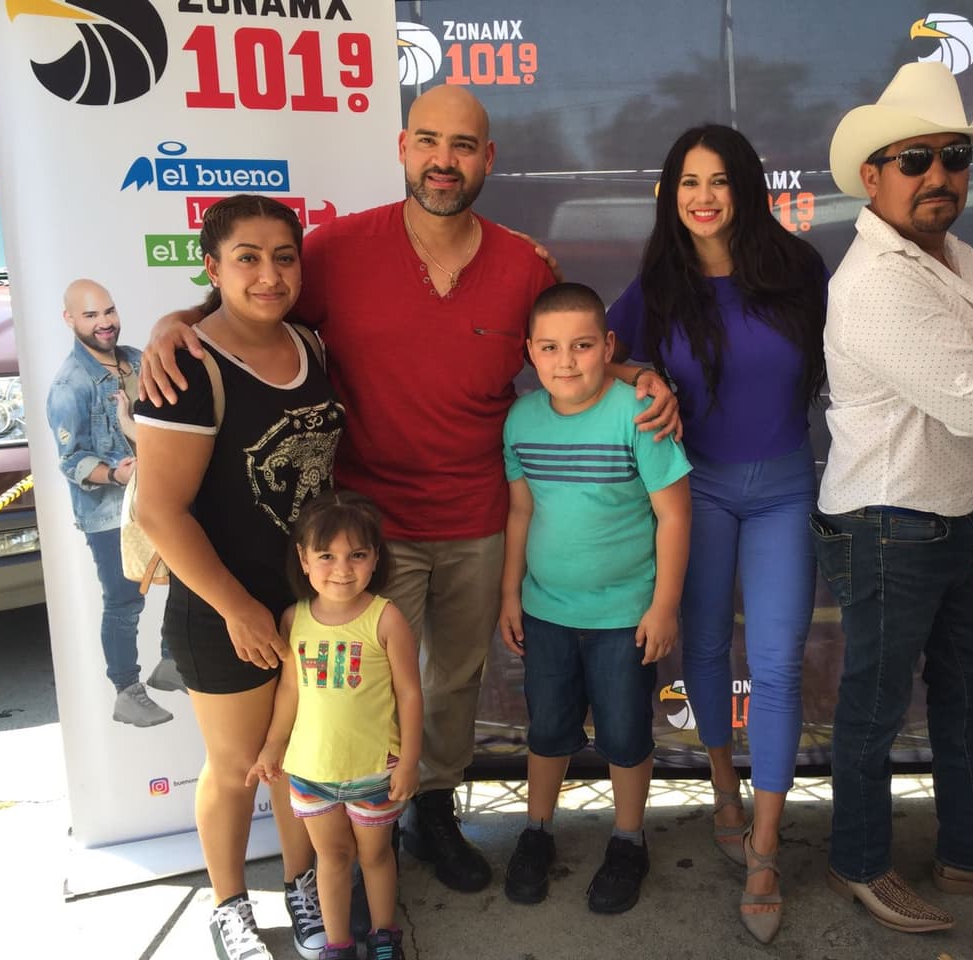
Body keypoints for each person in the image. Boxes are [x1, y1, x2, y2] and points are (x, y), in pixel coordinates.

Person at [140, 85, 682, 894]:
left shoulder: (524, 265)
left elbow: (571, 349)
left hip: (475, 517)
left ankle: (432, 809)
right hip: (362, 529)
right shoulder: (330, 251)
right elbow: (253, 306)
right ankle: (356, 834)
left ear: (487, 160)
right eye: (428, 141)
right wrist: (175, 320)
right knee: (353, 683)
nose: (443, 160)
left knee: (453, 680)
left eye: (463, 146)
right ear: (402, 149)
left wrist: (638, 371)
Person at [812, 61, 973, 933]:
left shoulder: (952, 254)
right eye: (915, 158)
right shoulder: (876, 282)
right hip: (888, 523)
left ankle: (971, 855)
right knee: (877, 705)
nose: (939, 176)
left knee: (967, 690)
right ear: (872, 177)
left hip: (945, 512)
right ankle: (860, 863)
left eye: (954, 157)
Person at [605, 125, 828, 942]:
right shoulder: (658, 283)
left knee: (773, 661)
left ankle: (765, 848)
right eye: (688, 181)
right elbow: (596, 354)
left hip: (781, 491)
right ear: (671, 193)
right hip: (693, 493)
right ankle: (723, 787)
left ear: (746, 188)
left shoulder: (797, 269)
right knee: (700, 652)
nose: (703, 196)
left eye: (720, 180)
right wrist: (643, 371)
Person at [132, 194, 343, 960]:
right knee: (233, 770)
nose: (267, 274)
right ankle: (227, 905)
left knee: (297, 762)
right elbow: (160, 510)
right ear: (212, 268)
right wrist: (238, 609)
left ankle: (302, 884)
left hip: (306, 603)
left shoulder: (310, 345)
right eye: (246, 259)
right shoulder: (188, 366)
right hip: (224, 609)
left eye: (283, 256)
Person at [498, 282, 691, 914]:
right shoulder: (521, 420)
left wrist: (663, 606)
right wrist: (510, 594)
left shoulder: (637, 414)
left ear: (609, 346)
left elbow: (674, 515)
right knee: (548, 729)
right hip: (546, 611)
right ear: (529, 352)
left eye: (583, 345)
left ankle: (628, 840)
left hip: (624, 619)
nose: (567, 361)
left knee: (625, 734)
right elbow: (521, 511)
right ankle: (536, 831)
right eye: (550, 347)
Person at [248, 490, 421, 960]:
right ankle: (339, 945)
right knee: (332, 859)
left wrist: (409, 761)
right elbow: (290, 691)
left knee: (377, 856)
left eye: (357, 555)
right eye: (327, 555)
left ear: (375, 559)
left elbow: (409, 693)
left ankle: (386, 936)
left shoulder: (387, 619)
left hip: (374, 772)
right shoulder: (293, 619)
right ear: (304, 560)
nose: (342, 569)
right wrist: (271, 747)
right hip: (310, 773)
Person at [45, 278, 183, 727]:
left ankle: (171, 662)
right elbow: (71, 459)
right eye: (90, 315)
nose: (105, 322)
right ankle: (127, 690)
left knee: (185, 577)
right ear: (69, 320)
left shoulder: (139, 360)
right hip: (108, 513)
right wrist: (114, 474)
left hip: (158, 497)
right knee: (125, 601)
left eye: (109, 311)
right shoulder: (70, 384)